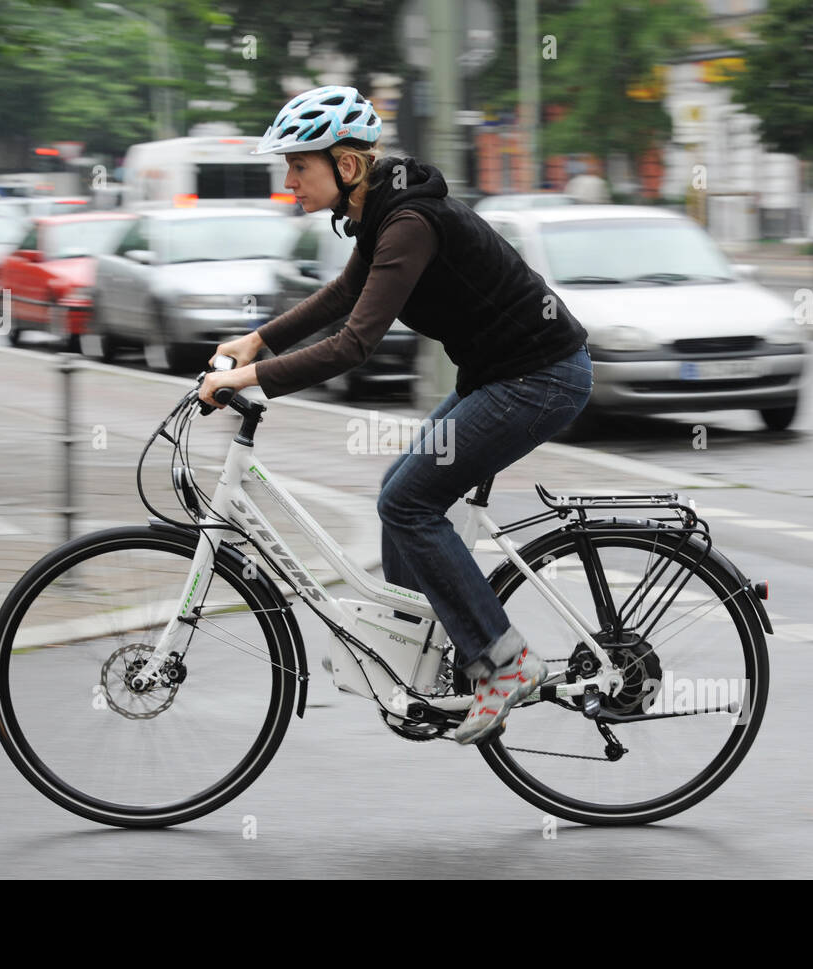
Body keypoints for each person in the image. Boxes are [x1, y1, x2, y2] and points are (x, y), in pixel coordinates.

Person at [200, 85, 592, 745]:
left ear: (346, 166)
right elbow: (347, 291)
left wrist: (249, 377)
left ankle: (502, 660)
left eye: (299, 165)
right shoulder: (383, 211)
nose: (288, 181)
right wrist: (258, 340)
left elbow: (354, 345)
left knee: (409, 503)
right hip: (500, 373)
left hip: (540, 378)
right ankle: (430, 657)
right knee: (397, 493)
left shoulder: (408, 221)